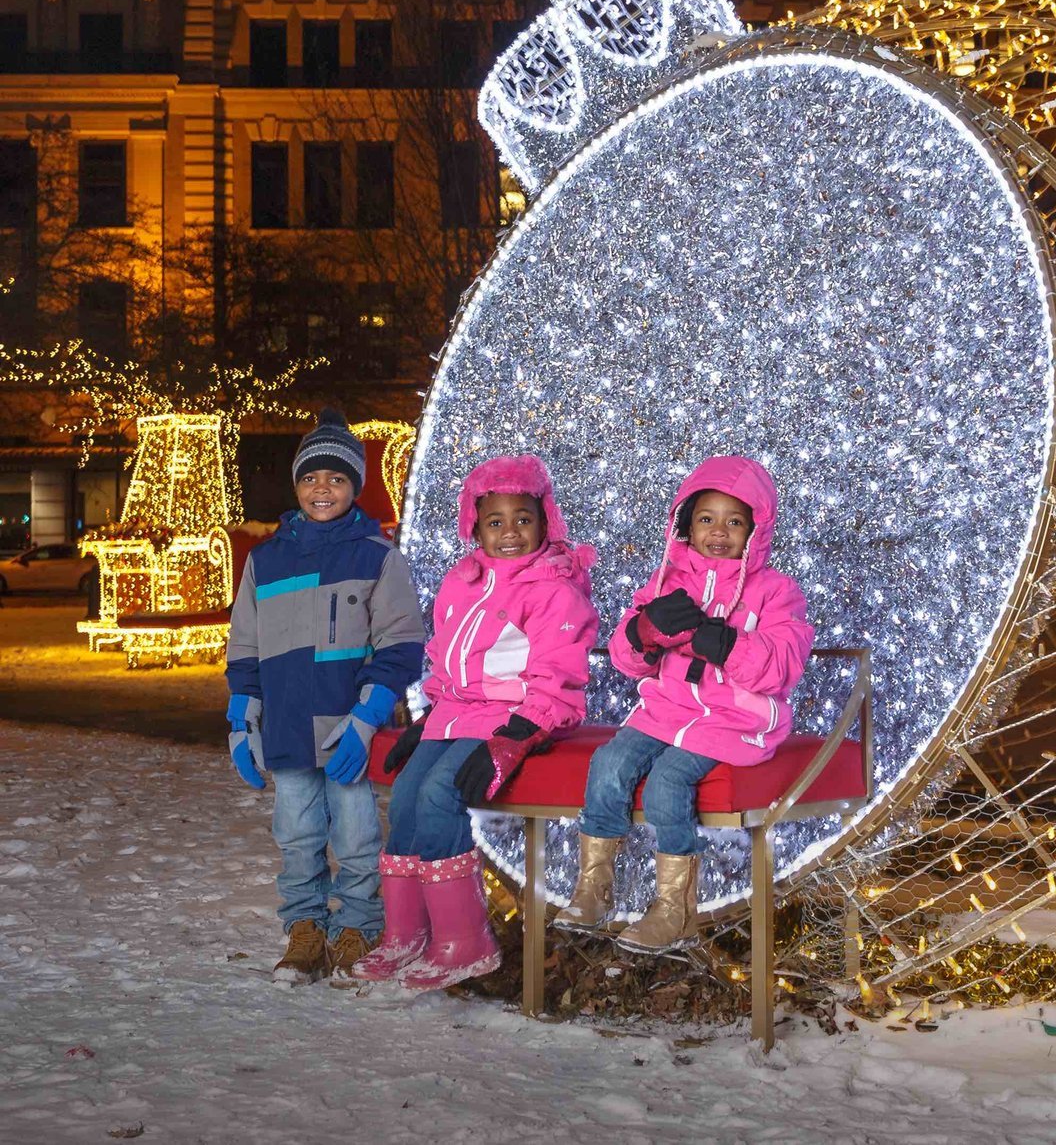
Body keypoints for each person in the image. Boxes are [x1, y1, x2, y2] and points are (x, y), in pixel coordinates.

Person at [353, 454, 599, 989]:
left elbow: (559, 675)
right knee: (408, 797)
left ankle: (463, 940)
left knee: (441, 793)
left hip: (513, 718)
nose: (510, 533)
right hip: (456, 716)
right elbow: (447, 661)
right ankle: (407, 934)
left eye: (523, 520)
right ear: (475, 526)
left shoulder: (554, 589)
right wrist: (425, 723)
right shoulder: (462, 583)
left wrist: (517, 734)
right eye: (495, 522)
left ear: (545, 522)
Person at [558, 456, 813, 951]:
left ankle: (673, 907)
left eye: (734, 521)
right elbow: (626, 658)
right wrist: (643, 632)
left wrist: (719, 641)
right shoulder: (665, 582)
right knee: (609, 763)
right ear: (686, 524)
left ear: (756, 530)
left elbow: (782, 664)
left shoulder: (777, 592)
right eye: (706, 519)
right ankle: (593, 887)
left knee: (668, 782)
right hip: (664, 711)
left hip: (729, 721)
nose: (719, 531)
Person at [225, 410, 427, 982]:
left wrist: (366, 719)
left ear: (354, 487)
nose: (323, 489)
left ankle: (358, 926)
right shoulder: (266, 560)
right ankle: (306, 929)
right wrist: (243, 716)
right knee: (296, 835)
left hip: (345, 733)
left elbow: (402, 641)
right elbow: (245, 643)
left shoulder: (376, 556)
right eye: (312, 477)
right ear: (296, 484)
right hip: (288, 727)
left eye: (337, 479)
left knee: (358, 835)